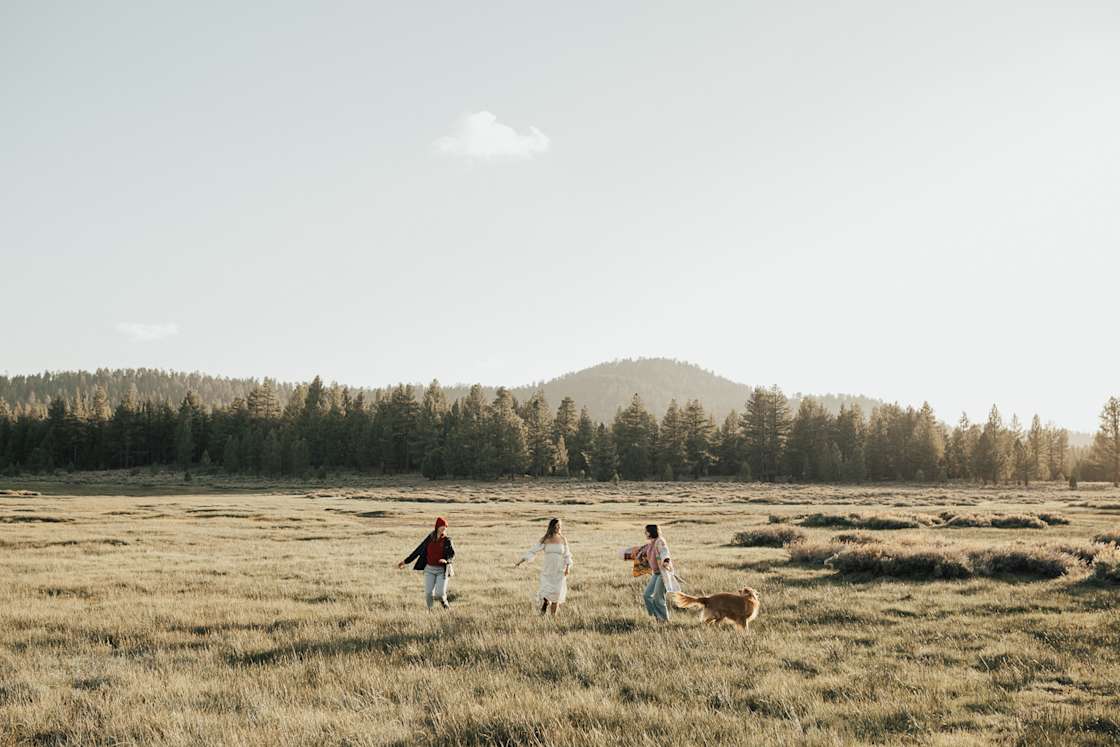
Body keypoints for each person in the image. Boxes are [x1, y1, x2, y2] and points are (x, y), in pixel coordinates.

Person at [515, 518, 573, 616]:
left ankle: (553, 618)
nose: (559, 527)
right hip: (548, 571)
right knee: (546, 592)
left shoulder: (563, 539)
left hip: (559, 571)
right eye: (557, 526)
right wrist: (521, 561)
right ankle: (545, 603)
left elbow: (567, 555)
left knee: (557, 595)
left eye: (560, 526)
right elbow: (533, 550)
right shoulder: (546, 539)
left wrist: (568, 568)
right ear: (552, 527)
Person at [398, 516, 455, 610]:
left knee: (440, 594)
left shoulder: (447, 540)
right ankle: (430, 611)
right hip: (429, 569)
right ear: (437, 527)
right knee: (428, 593)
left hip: (442, 570)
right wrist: (405, 561)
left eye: (445, 527)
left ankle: (445, 604)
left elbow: (452, 553)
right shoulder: (430, 538)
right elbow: (418, 550)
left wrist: (447, 561)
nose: (444, 529)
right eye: (442, 527)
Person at [640, 524, 673, 623]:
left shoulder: (660, 541)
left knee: (658, 598)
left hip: (663, 572)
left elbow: (664, 552)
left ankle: (664, 621)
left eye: (646, 531)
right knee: (647, 595)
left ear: (651, 532)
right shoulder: (652, 543)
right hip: (656, 573)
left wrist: (666, 561)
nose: (645, 533)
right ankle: (657, 616)